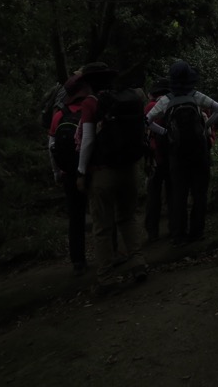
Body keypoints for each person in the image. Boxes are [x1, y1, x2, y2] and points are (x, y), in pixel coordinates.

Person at [74, 62, 149, 295]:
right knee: (127, 218)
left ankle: (106, 277)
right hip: (128, 168)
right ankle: (138, 263)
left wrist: (81, 171)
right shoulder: (125, 99)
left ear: (88, 83)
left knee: (102, 228)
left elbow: (87, 141)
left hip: (102, 172)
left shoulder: (90, 104)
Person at [146, 61, 218, 246]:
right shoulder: (196, 96)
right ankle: (197, 232)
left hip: (176, 154)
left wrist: (165, 132)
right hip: (199, 152)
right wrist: (204, 126)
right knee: (199, 193)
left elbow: (147, 120)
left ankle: (179, 235)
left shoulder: (166, 100)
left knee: (178, 194)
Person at [48, 74, 90, 276]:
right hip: (91, 169)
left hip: (68, 173)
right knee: (101, 211)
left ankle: (78, 261)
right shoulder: (90, 109)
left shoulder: (59, 115)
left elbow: (51, 146)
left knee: (76, 218)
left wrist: (57, 172)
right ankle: (111, 252)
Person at [144, 77, 172, 242]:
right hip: (171, 154)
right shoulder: (171, 104)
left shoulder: (150, 107)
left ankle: (152, 231)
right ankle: (174, 226)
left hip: (155, 157)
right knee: (172, 192)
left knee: (153, 195)